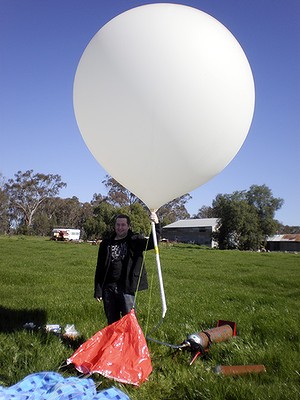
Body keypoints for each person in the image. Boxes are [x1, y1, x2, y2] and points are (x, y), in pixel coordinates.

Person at [94, 212, 160, 325]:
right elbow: (100, 267)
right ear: (114, 226)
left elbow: (153, 243)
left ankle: (130, 342)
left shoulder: (135, 240)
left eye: (123, 225)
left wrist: (156, 224)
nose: (120, 227)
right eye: (118, 225)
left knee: (129, 320)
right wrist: (98, 290)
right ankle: (115, 342)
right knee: (112, 321)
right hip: (108, 288)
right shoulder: (106, 243)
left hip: (126, 288)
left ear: (128, 226)